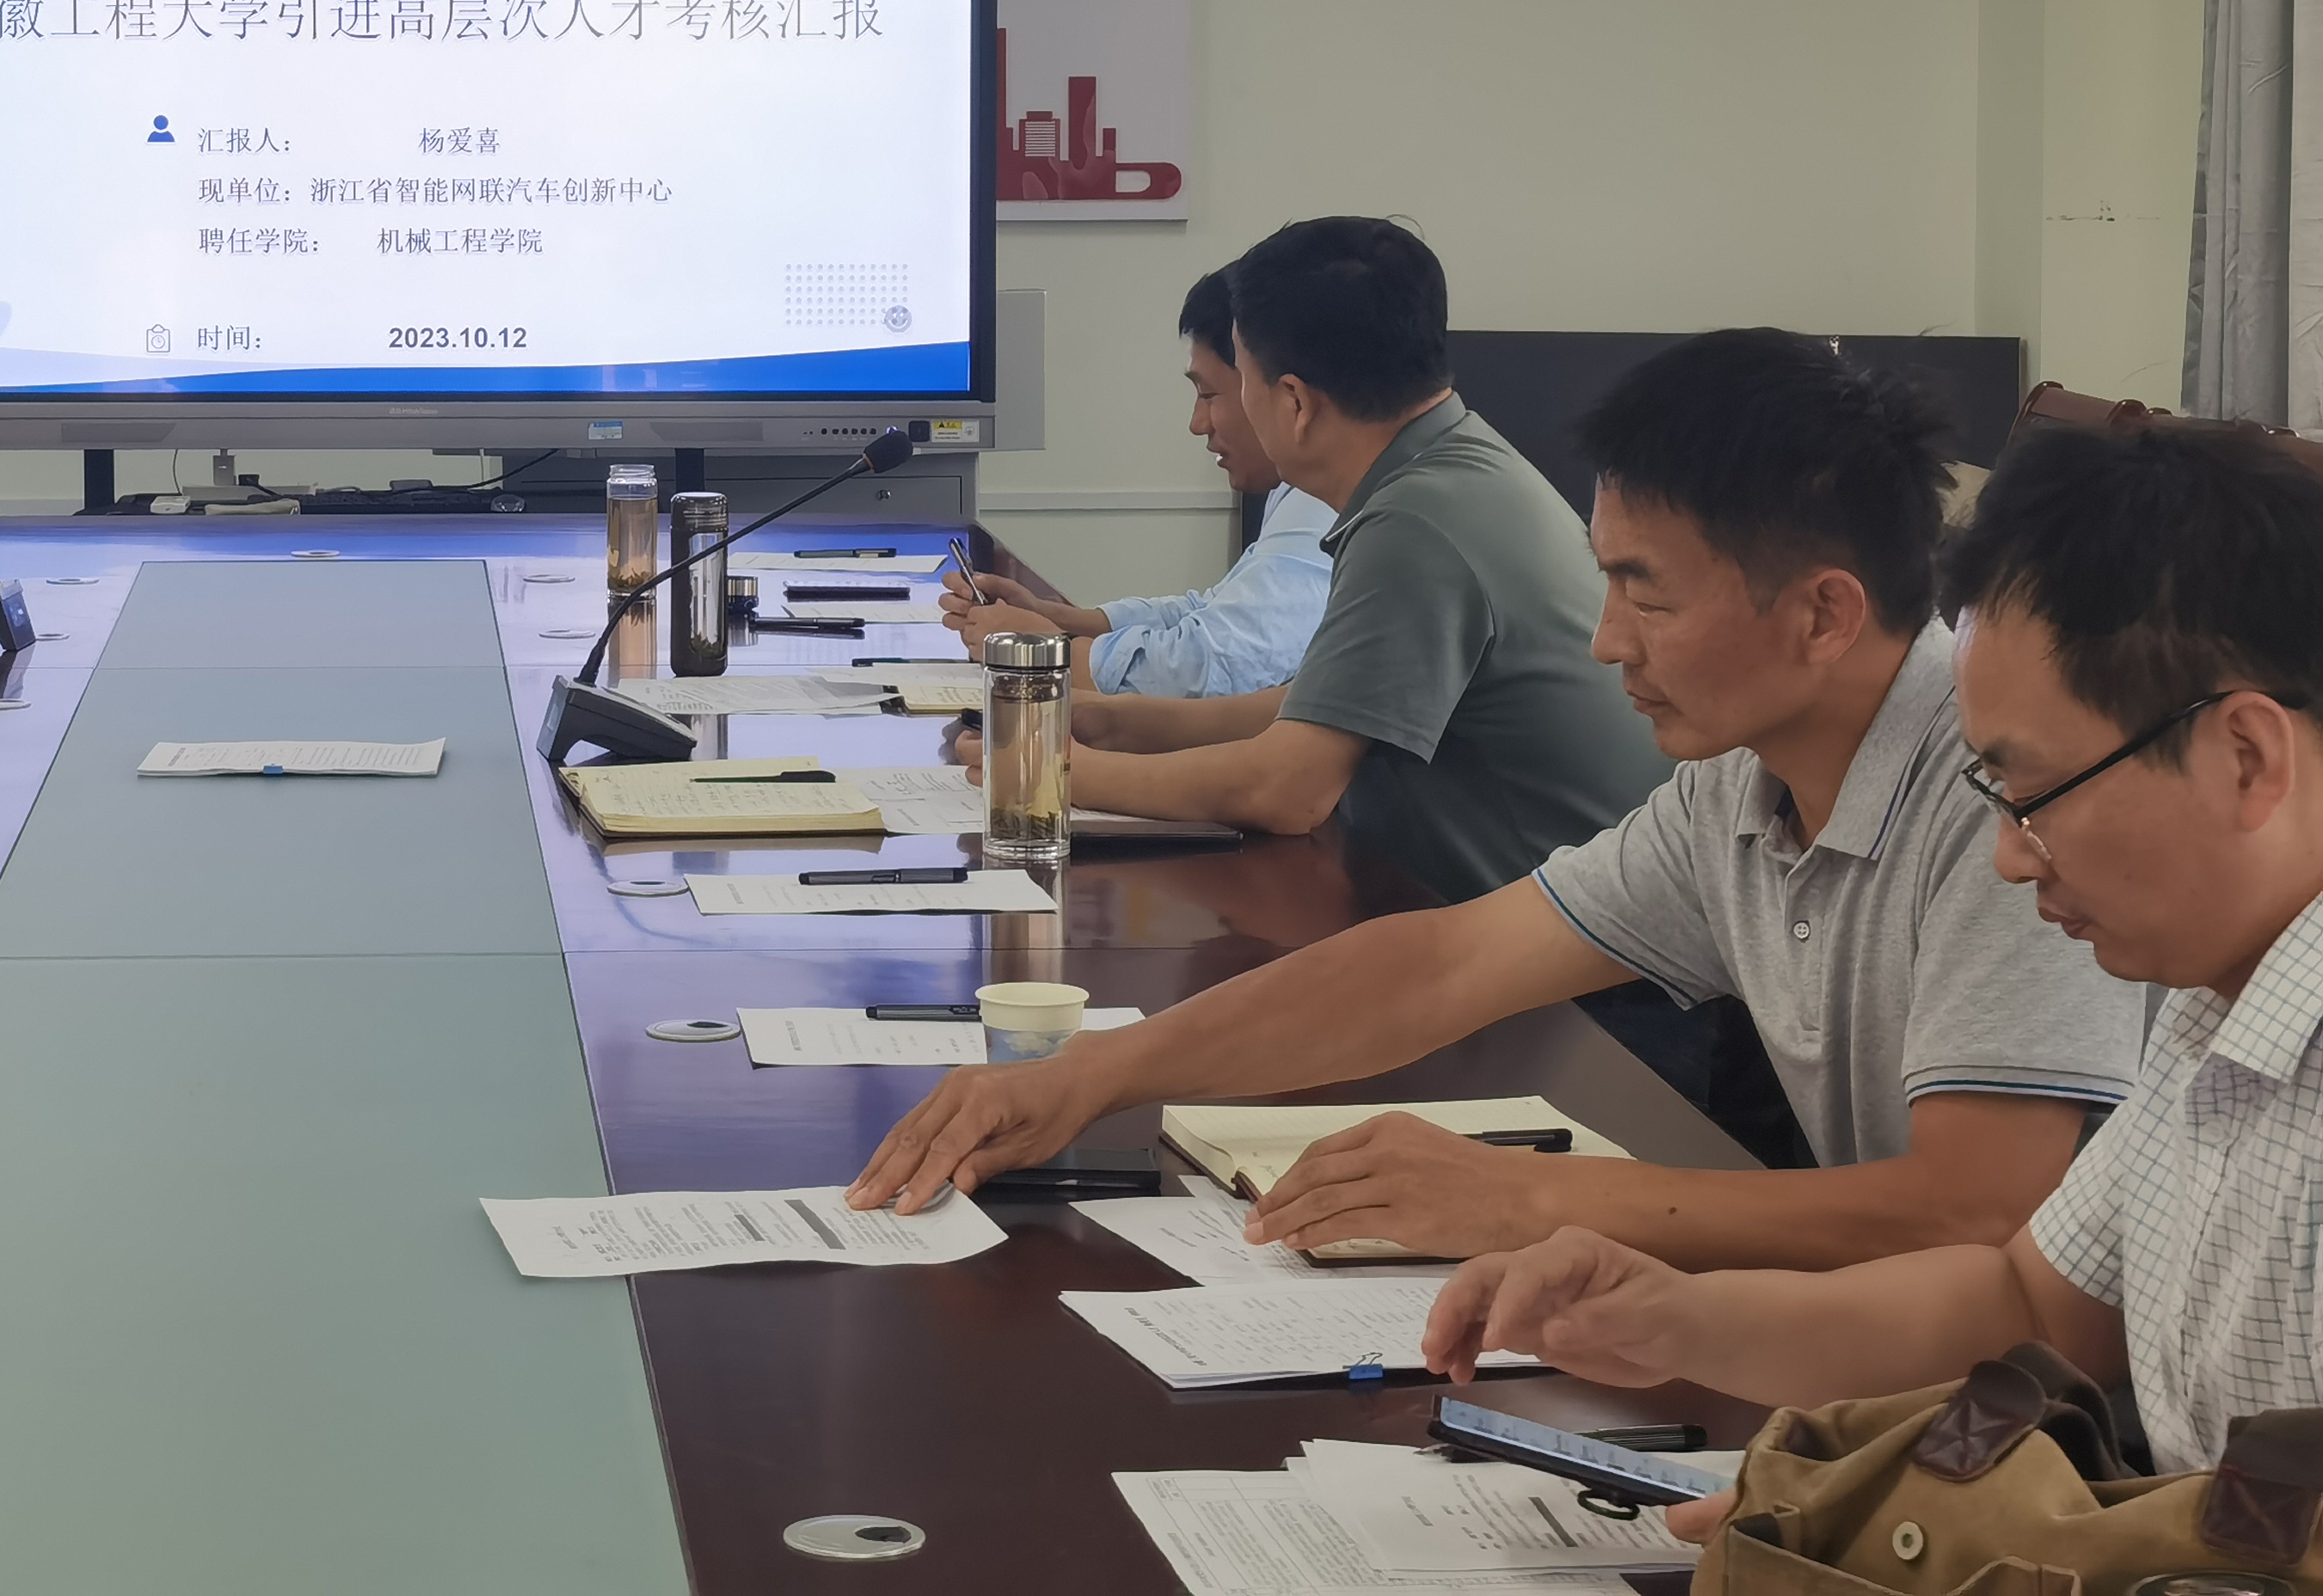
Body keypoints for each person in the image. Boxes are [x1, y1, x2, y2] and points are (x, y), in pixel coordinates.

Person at [851, 332, 2142, 1261]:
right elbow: (1442, 964)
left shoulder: (2006, 793)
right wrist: (1092, 1076)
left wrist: (1533, 1203)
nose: (1605, 641)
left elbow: (1979, 1211)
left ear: (1823, 615)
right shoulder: (1738, 785)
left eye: (1646, 594)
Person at [1423, 421, 2323, 1499]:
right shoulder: (2210, 1012)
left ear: (2244, 757)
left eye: (2036, 794)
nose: (2008, 856)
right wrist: (1680, 1319)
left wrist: (1982, 1539)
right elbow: (2031, 1310)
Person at [978, 218, 1668, 899]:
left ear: (1295, 402)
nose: (1202, 420)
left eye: (1236, 384)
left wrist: (1042, 772)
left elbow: (1287, 790)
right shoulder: (1453, 465)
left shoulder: (1416, 521)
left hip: (1565, 951)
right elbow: (1329, 706)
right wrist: (1118, 721)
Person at [943, 267, 1335, 707]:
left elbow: (1215, 667)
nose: (1197, 424)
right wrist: (1053, 618)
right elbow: (1210, 613)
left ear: (1292, 396)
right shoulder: (1302, 487)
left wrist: (1046, 650)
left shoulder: (1327, 502)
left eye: (1208, 395)